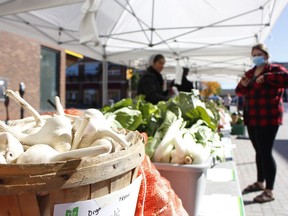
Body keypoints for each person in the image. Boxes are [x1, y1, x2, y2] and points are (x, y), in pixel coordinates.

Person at [235, 43, 288, 203]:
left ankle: (269, 191)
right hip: (252, 117)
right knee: (259, 151)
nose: (256, 57)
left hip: (268, 117)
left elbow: (286, 79)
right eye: (254, 54)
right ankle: (260, 182)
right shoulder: (250, 73)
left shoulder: (274, 69)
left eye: (259, 54)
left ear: (265, 55)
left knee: (265, 152)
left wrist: (266, 77)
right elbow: (239, 91)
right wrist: (243, 84)